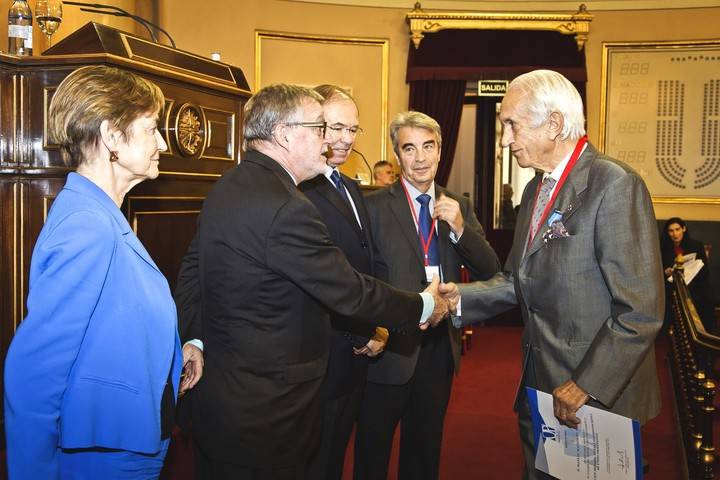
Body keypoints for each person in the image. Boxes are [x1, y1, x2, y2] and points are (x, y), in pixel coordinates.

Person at [173, 84, 451, 479]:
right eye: (320, 128)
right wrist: (423, 304)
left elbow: (191, 270)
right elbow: (348, 290)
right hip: (270, 412)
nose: (330, 140)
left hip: (225, 399)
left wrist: (195, 338)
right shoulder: (287, 206)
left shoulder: (228, 184)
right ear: (285, 135)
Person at [440, 70, 664, 479]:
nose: (505, 139)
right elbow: (517, 278)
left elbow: (640, 311)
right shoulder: (535, 189)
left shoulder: (613, 184)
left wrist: (585, 384)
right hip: (540, 387)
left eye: (512, 124)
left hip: (596, 399)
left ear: (555, 124)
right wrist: (458, 300)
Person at [4, 65, 202, 479]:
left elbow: (110, 322)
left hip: (123, 440)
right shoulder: (86, 226)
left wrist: (173, 350)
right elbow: (36, 372)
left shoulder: (101, 215)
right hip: (104, 455)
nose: (163, 143)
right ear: (112, 136)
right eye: (151, 128)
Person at [354, 110, 500, 480]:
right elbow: (359, 278)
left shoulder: (459, 206)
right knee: (371, 455)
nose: (419, 158)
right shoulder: (371, 207)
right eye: (409, 148)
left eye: (428, 147)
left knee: (423, 456)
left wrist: (461, 228)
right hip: (388, 346)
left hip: (437, 349)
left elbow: (490, 270)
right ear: (397, 154)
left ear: (439, 151)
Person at [298, 85, 389, 479]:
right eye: (335, 127)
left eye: (352, 130)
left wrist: (381, 321)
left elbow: (369, 263)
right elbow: (319, 277)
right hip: (326, 352)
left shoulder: (352, 186)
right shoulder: (300, 189)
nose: (345, 139)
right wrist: (361, 332)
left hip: (359, 349)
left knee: (337, 455)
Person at [661, 217, 715, 333]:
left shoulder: (696, 246)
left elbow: (704, 271)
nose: (675, 234)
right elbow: (659, 270)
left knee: (704, 300)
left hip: (694, 285)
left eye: (677, 229)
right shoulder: (663, 248)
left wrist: (692, 269)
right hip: (672, 287)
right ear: (667, 233)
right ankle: (675, 333)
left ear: (683, 229)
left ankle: (703, 334)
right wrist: (666, 272)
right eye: (671, 231)